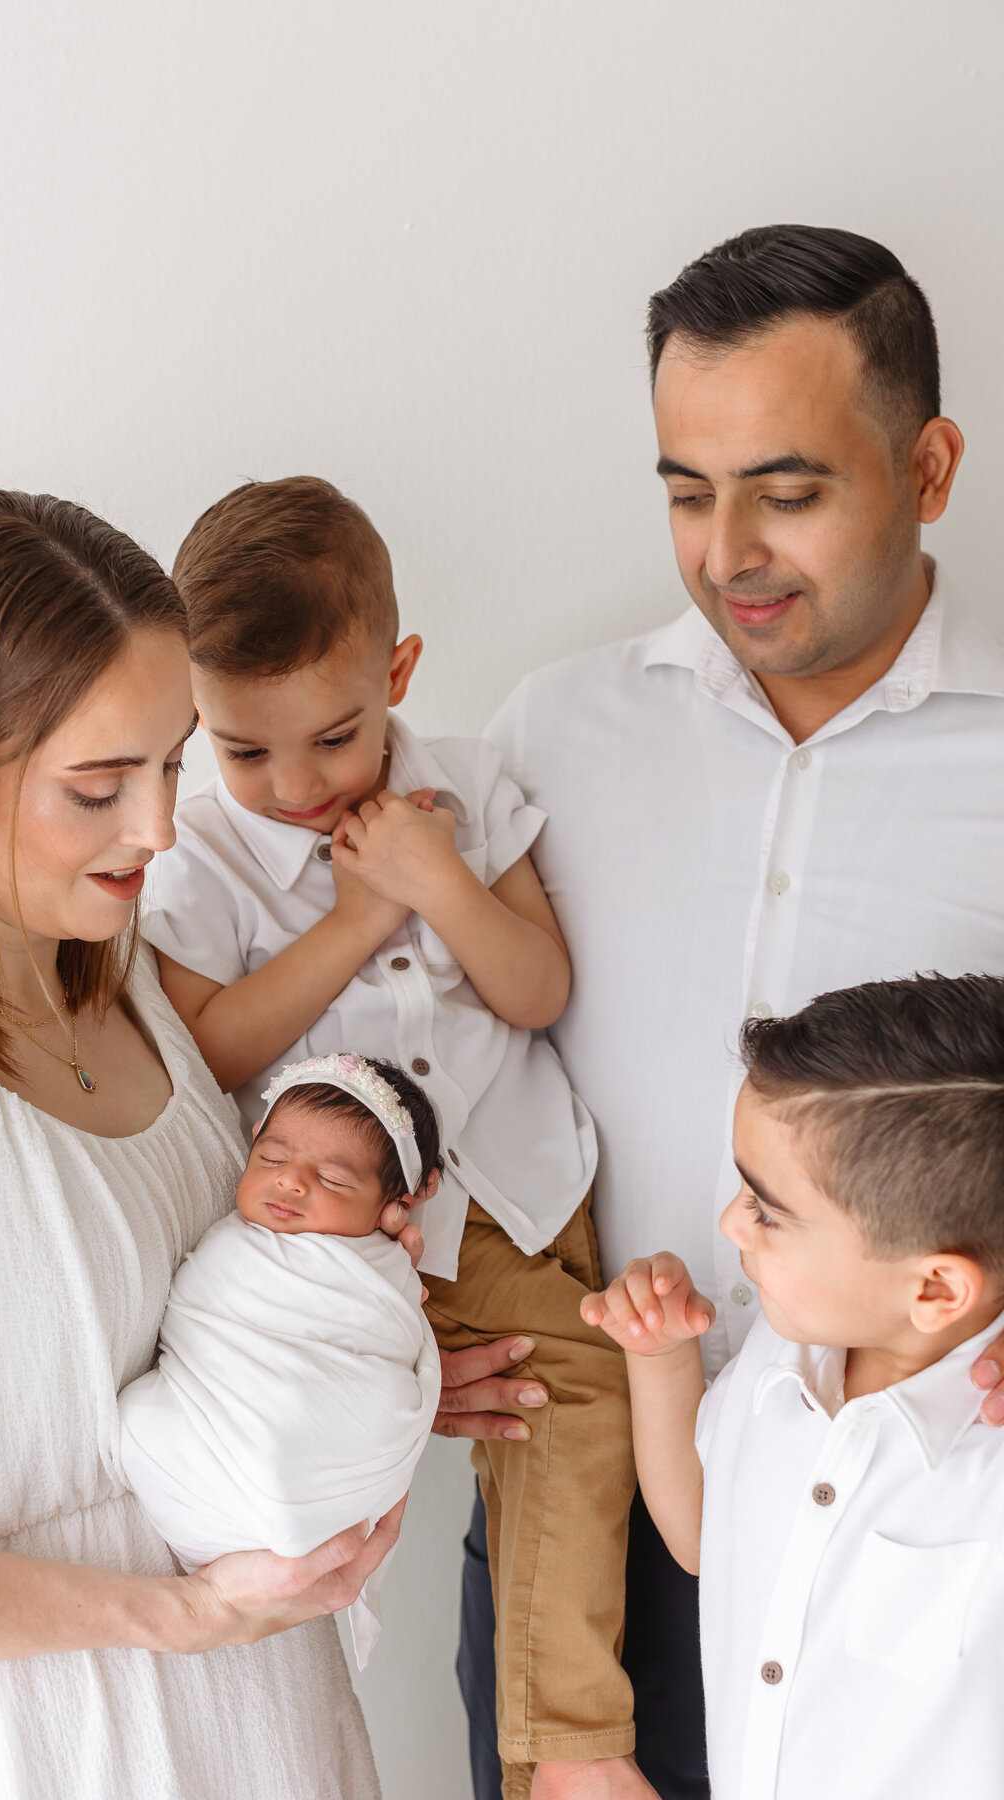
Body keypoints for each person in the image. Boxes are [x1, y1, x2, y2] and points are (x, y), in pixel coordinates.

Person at [483, 224, 1004, 1799]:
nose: (727, 553)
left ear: (927, 466)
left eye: (787, 492)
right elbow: (445, 1074)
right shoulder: (550, 732)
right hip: (580, 1510)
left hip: (924, 1529)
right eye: (686, 493)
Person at [0, 488, 417, 1800]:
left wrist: (363, 1346)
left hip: (265, 1724)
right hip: (33, 1748)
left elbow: (180, 1325)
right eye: (98, 787)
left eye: (174, 762)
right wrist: (182, 1618)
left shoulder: (118, 969)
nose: (158, 829)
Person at [144, 477, 642, 1800]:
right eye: (244, 750)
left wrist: (436, 885)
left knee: (576, 1423)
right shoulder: (199, 856)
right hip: (340, 1250)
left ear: (400, 674)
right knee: (301, 1472)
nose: (294, 786)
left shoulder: (470, 791)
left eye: (335, 738)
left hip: (522, 1204)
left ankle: (571, 1755)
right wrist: (357, 924)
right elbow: (215, 1051)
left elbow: (536, 991)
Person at [588, 973, 1004, 1799]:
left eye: (767, 1211)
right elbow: (709, 1538)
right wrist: (660, 1357)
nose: (729, 1224)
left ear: (934, 1291)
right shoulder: (782, 1352)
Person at [118, 1054, 443, 1670]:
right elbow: (201, 1315)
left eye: (336, 1179)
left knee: (138, 1415)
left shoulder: (379, 1272)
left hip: (322, 1472)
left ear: (389, 1208)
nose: (292, 1181)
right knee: (140, 1414)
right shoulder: (235, 1243)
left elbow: (384, 1351)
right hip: (238, 1491)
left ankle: (280, 1499)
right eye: (271, 1158)